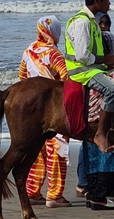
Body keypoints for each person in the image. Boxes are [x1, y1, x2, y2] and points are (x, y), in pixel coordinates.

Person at [18, 16, 73, 209]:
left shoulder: (28, 51)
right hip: (54, 109)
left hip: (32, 110)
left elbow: (22, 79)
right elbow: (66, 79)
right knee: (57, 150)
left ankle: (32, 192)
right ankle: (54, 196)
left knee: (36, 151)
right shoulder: (54, 54)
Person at [63, 0, 114, 154]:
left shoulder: (93, 21)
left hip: (92, 68)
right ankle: (100, 134)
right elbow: (82, 56)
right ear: (97, 1)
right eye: (107, 0)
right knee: (113, 90)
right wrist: (106, 60)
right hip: (82, 71)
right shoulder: (82, 22)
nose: (109, 4)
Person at [77, 12, 114, 210]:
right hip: (102, 97)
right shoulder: (108, 38)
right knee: (107, 142)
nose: (104, 26)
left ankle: (91, 189)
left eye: (107, 23)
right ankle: (98, 195)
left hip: (89, 92)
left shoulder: (91, 33)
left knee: (90, 147)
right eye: (101, 23)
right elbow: (111, 64)